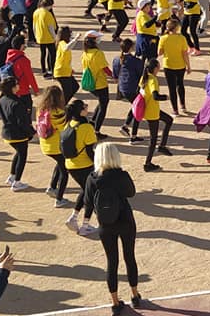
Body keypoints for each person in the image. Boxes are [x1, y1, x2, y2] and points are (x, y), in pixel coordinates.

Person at [84, 143, 151, 314]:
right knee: (130, 257)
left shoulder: (92, 178)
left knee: (111, 262)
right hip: (125, 220)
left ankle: (115, 302)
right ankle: (135, 295)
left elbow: (88, 202)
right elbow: (131, 193)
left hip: (105, 224)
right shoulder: (121, 175)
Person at [63, 100, 101, 237]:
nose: (87, 108)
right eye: (85, 106)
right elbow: (90, 150)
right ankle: (85, 225)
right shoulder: (86, 127)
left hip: (70, 164)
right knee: (90, 194)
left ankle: (73, 218)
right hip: (84, 165)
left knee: (85, 190)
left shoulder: (69, 124)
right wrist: (98, 164)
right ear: (81, 111)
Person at [0, 76, 35, 192]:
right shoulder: (17, 103)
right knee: (22, 157)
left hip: (7, 133)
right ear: (13, 88)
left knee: (19, 153)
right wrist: (32, 132)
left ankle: (12, 176)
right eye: (16, 84)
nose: (18, 85)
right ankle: (17, 182)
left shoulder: (2, 99)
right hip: (18, 135)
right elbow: (22, 123)